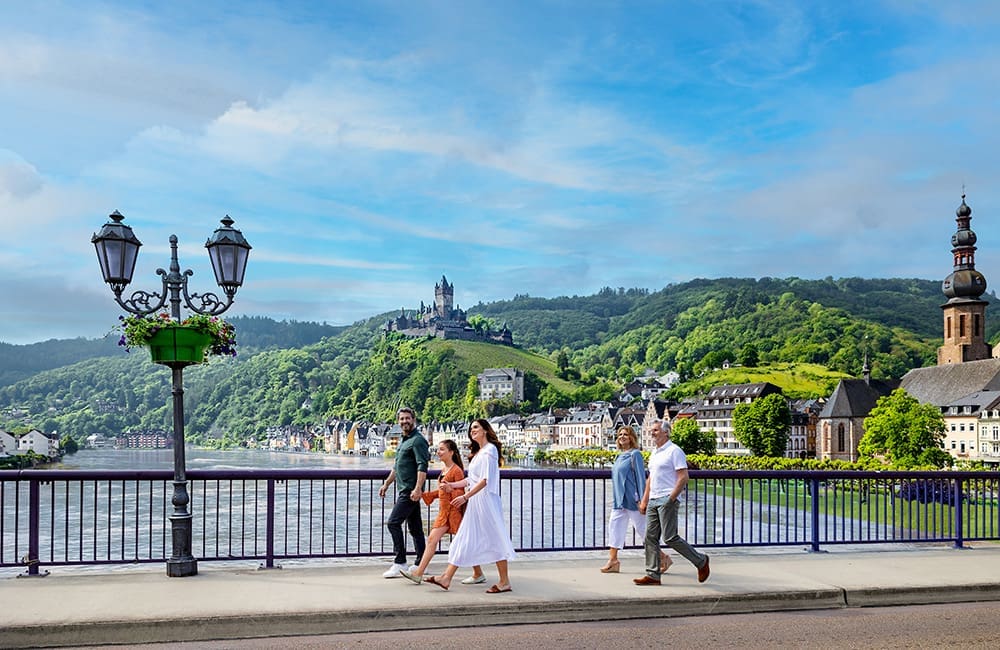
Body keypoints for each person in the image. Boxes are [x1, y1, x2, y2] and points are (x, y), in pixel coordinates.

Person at [424, 419, 516, 593]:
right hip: (476, 501)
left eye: (476, 427)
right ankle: (446, 578)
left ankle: (504, 582)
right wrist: (453, 486)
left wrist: (465, 496)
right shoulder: (480, 452)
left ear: (485, 431)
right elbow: (471, 480)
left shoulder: (490, 451)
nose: (472, 431)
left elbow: (485, 480)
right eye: (471, 428)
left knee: (494, 538)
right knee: (463, 538)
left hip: (485, 501)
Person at [634, 419, 710, 586]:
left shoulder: (675, 451)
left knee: (670, 537)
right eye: (651, 430)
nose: (651, 433)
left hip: (667, 498)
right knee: (650, 538)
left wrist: (671, 499)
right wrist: (645, 500)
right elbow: (650, 478)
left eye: (655, 430)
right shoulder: (654, 453)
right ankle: (653, 575)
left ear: (666, 432)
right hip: (654, 499)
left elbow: (684, 477)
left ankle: (701, 561)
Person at [400, 440, 484, 585]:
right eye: (438, 450)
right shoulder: (444, 470)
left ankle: (478, 573)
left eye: (442, 450)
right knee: (432, 540)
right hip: (444, 512)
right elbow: (442, 491)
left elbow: (459, 491)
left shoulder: (456, 470)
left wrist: (452, 490)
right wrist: (426, 495)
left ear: (451, 452)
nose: (438, 452)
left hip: (454, 512)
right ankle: (418, 573)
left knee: (463, 543)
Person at [601, 425, 671, 574]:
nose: (622, 437)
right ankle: (613, 561)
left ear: (632, 437)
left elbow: (641, 478)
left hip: (634, 501)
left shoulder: (635, 455)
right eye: (620, 434)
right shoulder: (619, 456)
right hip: (619, 501)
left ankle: (663, 557)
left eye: (625, 434)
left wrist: (643, 500)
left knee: (643, 531)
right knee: (614, 528)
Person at [378, 406, 430, 578]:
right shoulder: (404, 440)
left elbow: (423, 466)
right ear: (398, 421)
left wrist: (417, 489)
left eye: (408, 418)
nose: (404, 421)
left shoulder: (418, 440)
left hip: (409, 491)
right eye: (402, 419)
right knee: (415, 528)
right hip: (405, 489)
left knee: (393, 523)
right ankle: (422, 563)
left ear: (413, 419)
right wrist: (386, 484)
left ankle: (399, 561)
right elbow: (397, 466)